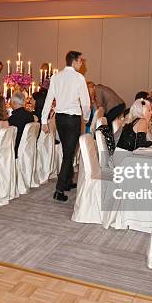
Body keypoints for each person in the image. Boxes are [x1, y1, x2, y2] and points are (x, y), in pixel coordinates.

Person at [41, 51, 91, 202]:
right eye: (80, 61)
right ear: (74, 61)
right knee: (69, 154)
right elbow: (86, 102)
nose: (82, 63)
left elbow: (49, 99)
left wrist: (44, 120)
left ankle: (68, 181)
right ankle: (59, 190)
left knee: (66, 150)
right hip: (73, 119)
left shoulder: (56, 76)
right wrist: (87, 117)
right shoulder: (79, 78)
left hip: (60, 119)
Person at [8, 92, 36, 157]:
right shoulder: (30, 115)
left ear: (14, 103)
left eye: (11, 102)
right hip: (28, 149)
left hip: (15, 150)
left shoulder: (13, 119)